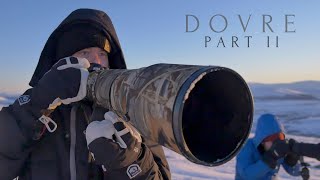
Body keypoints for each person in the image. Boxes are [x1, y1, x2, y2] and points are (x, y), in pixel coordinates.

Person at [0, 8, 171, 180]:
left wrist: (131, 162)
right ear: (64, 61)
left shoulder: (129, 111)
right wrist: (34, 107)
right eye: (84, 53)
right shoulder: (38, 105)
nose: (96, 62)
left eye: (102, 54)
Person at [235, 113, 303, 180]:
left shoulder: (278, 149)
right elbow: (246, 175)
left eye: (280, 137)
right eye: (272, 138)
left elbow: (293, 171)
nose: (276, 142)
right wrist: (267, 163)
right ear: (262, 140)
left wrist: (294, 162)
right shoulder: (246, 147)